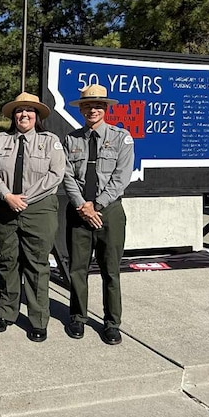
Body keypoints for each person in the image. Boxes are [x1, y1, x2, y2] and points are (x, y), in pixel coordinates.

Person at [0, 92, 66, 342]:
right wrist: (7, 195)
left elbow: (55, 174)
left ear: (37, 116)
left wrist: (25, 198)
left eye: (29, 111)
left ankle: (38, 319)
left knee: (36, 265)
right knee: (8, 261)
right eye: (19, 111)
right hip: (5, 207)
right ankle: (6, 313)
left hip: (39, 210)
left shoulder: (50, 141)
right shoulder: (0, 141)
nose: (24, 115)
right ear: (13, 115)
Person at [61, 85, 133, 345]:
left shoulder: (121, 138)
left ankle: (112, 323)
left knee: (110, 271)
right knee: (77, 269)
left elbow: (121, 178)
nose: (93, 109)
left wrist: (97, 206)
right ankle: (78, 317)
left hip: (109, 212)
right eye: (88, 105)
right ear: (80, 109)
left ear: (106, 109)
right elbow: (66, 175)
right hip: (79, 211)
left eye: (98, 105)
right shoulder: (71, 140)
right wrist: (82, 205)